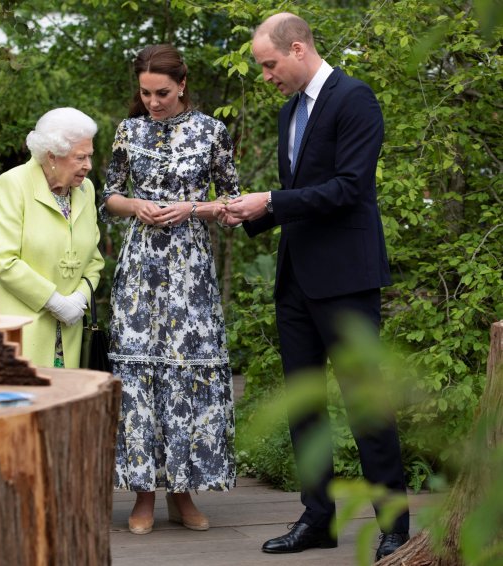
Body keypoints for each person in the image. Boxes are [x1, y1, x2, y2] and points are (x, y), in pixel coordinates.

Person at [219, 13, 410, 560]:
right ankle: (318, 519)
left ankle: (395, 526)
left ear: (298, 49)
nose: (265, 75)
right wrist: (249, 214)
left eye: (269, 64)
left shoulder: (355, 99)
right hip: (296, 281)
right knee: (304, 406)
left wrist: (272, 202)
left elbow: (349, 189)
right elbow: (300, 195)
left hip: (347, 280)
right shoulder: (288, 114)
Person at [101, 44, 239, 536]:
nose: (153, 101)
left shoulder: (211, 131)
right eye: (145, 93)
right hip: (140, 270)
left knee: (185, 378)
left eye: (161, 92)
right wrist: (135, 205)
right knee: (139, 380)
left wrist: (192, 209)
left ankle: (183, 493)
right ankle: (142, 496)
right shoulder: (129, 131)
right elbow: (108, 195)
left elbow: (234, 201)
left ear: (182, 84)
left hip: (190, 271)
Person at [0, 107, 104, 369]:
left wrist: (79, 300)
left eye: (89, 156)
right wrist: (54, 301)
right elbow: (3, 260)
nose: (88, 166)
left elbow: (94, 261)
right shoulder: (13, 184)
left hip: (69, 334)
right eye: (80, 157)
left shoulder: (86, 190)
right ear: (52, 156)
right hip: (21, 330)